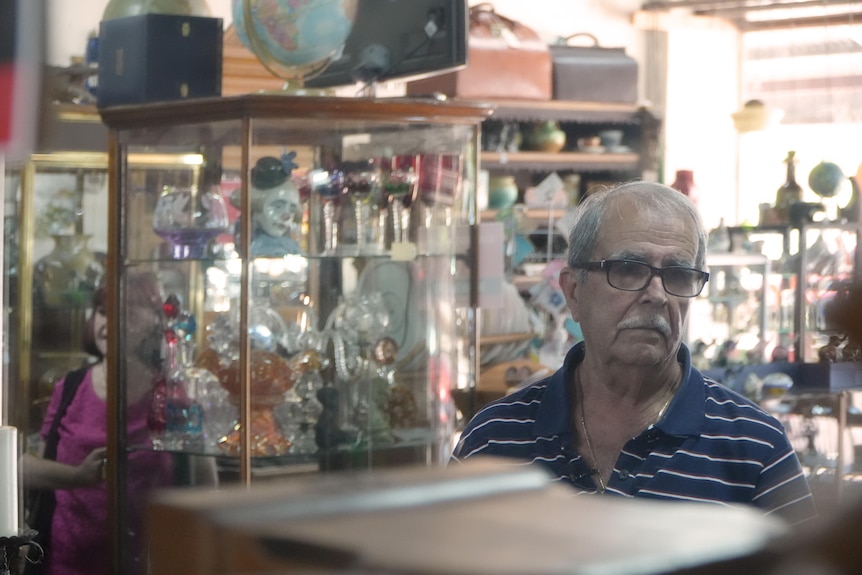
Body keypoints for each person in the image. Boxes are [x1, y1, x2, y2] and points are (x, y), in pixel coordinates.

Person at [452, 181, 817, 527]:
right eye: (627, 270)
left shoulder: (755, 448)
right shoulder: (494, 439)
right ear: (574, 292)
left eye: (678, 274)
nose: (657, 295)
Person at [19, 274, 185, 575]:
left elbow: (203, 481)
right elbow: (33, 468)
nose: (109, 325)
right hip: (66, 562)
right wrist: (78, 476)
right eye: (103, 312)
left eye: (126, 313)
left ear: (153, 322)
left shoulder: (170, 394)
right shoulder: (70, 387)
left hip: (146, 562)